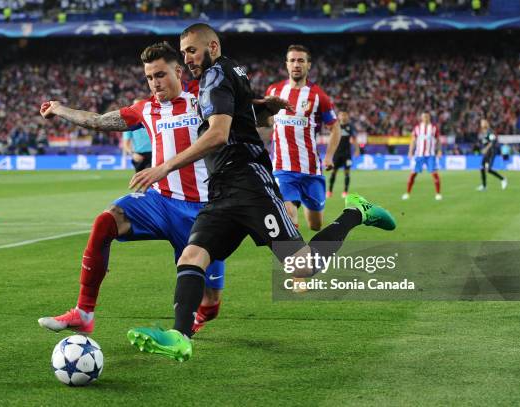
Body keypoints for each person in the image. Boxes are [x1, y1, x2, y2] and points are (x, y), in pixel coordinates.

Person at [126, 23, 396, 362]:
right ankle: (179, 336)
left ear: (212, 45)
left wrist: (164, 166)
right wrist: (262, 107)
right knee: (191, 257)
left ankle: (356, 211)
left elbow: (219, 134)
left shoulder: (215, 76)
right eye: (183, 53)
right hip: (222, 189)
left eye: (191, 50)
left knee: (302, 268)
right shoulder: (230, 71)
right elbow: (246, 116)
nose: (187, 58)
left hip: (249, 184)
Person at [37, 42, 226, 336]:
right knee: (105, 221)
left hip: (204, 211)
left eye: (160, 75)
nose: (155, 83)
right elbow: (98, 121)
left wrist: (266, 108)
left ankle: (202, 313)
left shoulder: (204, 100)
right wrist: (60, 109)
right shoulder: (145, 109)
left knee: (210, 303)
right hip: (160, 203)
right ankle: (84, 312)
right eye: (149, 77)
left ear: (178, 71)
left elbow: (238, 114)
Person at [264, 44, 341, 231]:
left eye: (300, 60)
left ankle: (353, 213)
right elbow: (266, 121)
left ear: (308, 65)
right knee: (288, 216)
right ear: (286, 64)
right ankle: (296, 258)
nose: (296, 64)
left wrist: (329, 156)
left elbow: (335, 128)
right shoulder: (273, 92)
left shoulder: (318, 96)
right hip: (282, 168)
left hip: (311, 169)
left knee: (316, 225)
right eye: (292, 60)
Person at [402, 112, 442, 201]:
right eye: (424, 117)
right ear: (421, 118)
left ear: (429, 118)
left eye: (427, 117)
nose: (425, 118)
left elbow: (438, 141)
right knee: (413, 174)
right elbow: (413, 140)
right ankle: (407, 193)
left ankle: (438, 194)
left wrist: (439, 151)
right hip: (419, 155)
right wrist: (410, 151)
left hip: (430, 155)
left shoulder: (434, 128)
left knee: (434, 173)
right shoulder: (417, 128)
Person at [328, 111, 359, 198]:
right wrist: (329, 152)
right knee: (333, 172)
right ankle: (330, 191)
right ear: (339, 116)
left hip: (347, 153)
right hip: (337, 153)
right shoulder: (336, 126)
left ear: (347, 116)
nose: (343, 116)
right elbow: (331, 139)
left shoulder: (350, 126)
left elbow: (354, 139)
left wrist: (357, 150)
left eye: (345, 115)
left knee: (347, 172)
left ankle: (345, 192)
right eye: (342, 115)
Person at [122, 98, 153, 173]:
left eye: (138, 105)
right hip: (139, 155)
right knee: (142, 182)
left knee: (155, 181)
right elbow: (126, 144)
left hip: (154, 154)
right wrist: (133, 154)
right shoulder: (129, 124)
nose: (136, 107)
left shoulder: (153, 119)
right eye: (134, 106)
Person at [477, 119, 507, 191]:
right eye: (481, 122)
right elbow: (485, 142)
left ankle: (503, 179)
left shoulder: (489, 131)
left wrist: (485, 149)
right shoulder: (483, 133)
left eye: (483, 122)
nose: (481, 123)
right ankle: (484, 186)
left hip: (492, 151)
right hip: (487, 152)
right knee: (481, 167)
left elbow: (492, 142)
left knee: (489, 169)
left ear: (486, 124)